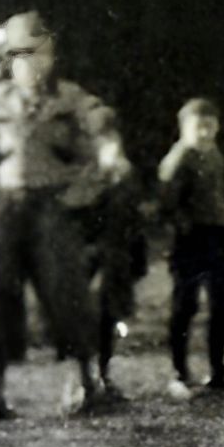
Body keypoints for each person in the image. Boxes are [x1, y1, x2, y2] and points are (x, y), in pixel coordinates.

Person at [0, 11, 107, 421]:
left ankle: (88, 385)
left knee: (67, 294)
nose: (30, 62)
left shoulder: (71, 99)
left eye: (37, 52)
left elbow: (93, 161)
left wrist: (75, 197)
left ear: (51, 53)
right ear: (9, 59)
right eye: (20, 54)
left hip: (53, 207)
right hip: (7, 204)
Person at [160, 97, 224, 397]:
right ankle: (179, 372)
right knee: (186, 305)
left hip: (216, 236)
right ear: (184, 127)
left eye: (210, 126)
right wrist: (184, 233)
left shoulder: (214, 155)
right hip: (190, 239)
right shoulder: (179, 158)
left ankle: (218, 371)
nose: (205, 133)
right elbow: (168, 205)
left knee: (222, 304)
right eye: (199, 127)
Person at [79, 107, 149, 402]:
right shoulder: (83, 173)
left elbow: (134, 219)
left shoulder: (125, 172)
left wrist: (137, 255)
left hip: (117, 255)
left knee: (110, 315)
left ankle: (103, 375)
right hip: (90, 255)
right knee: (88, 316)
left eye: (110, 134)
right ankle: (83, 381)